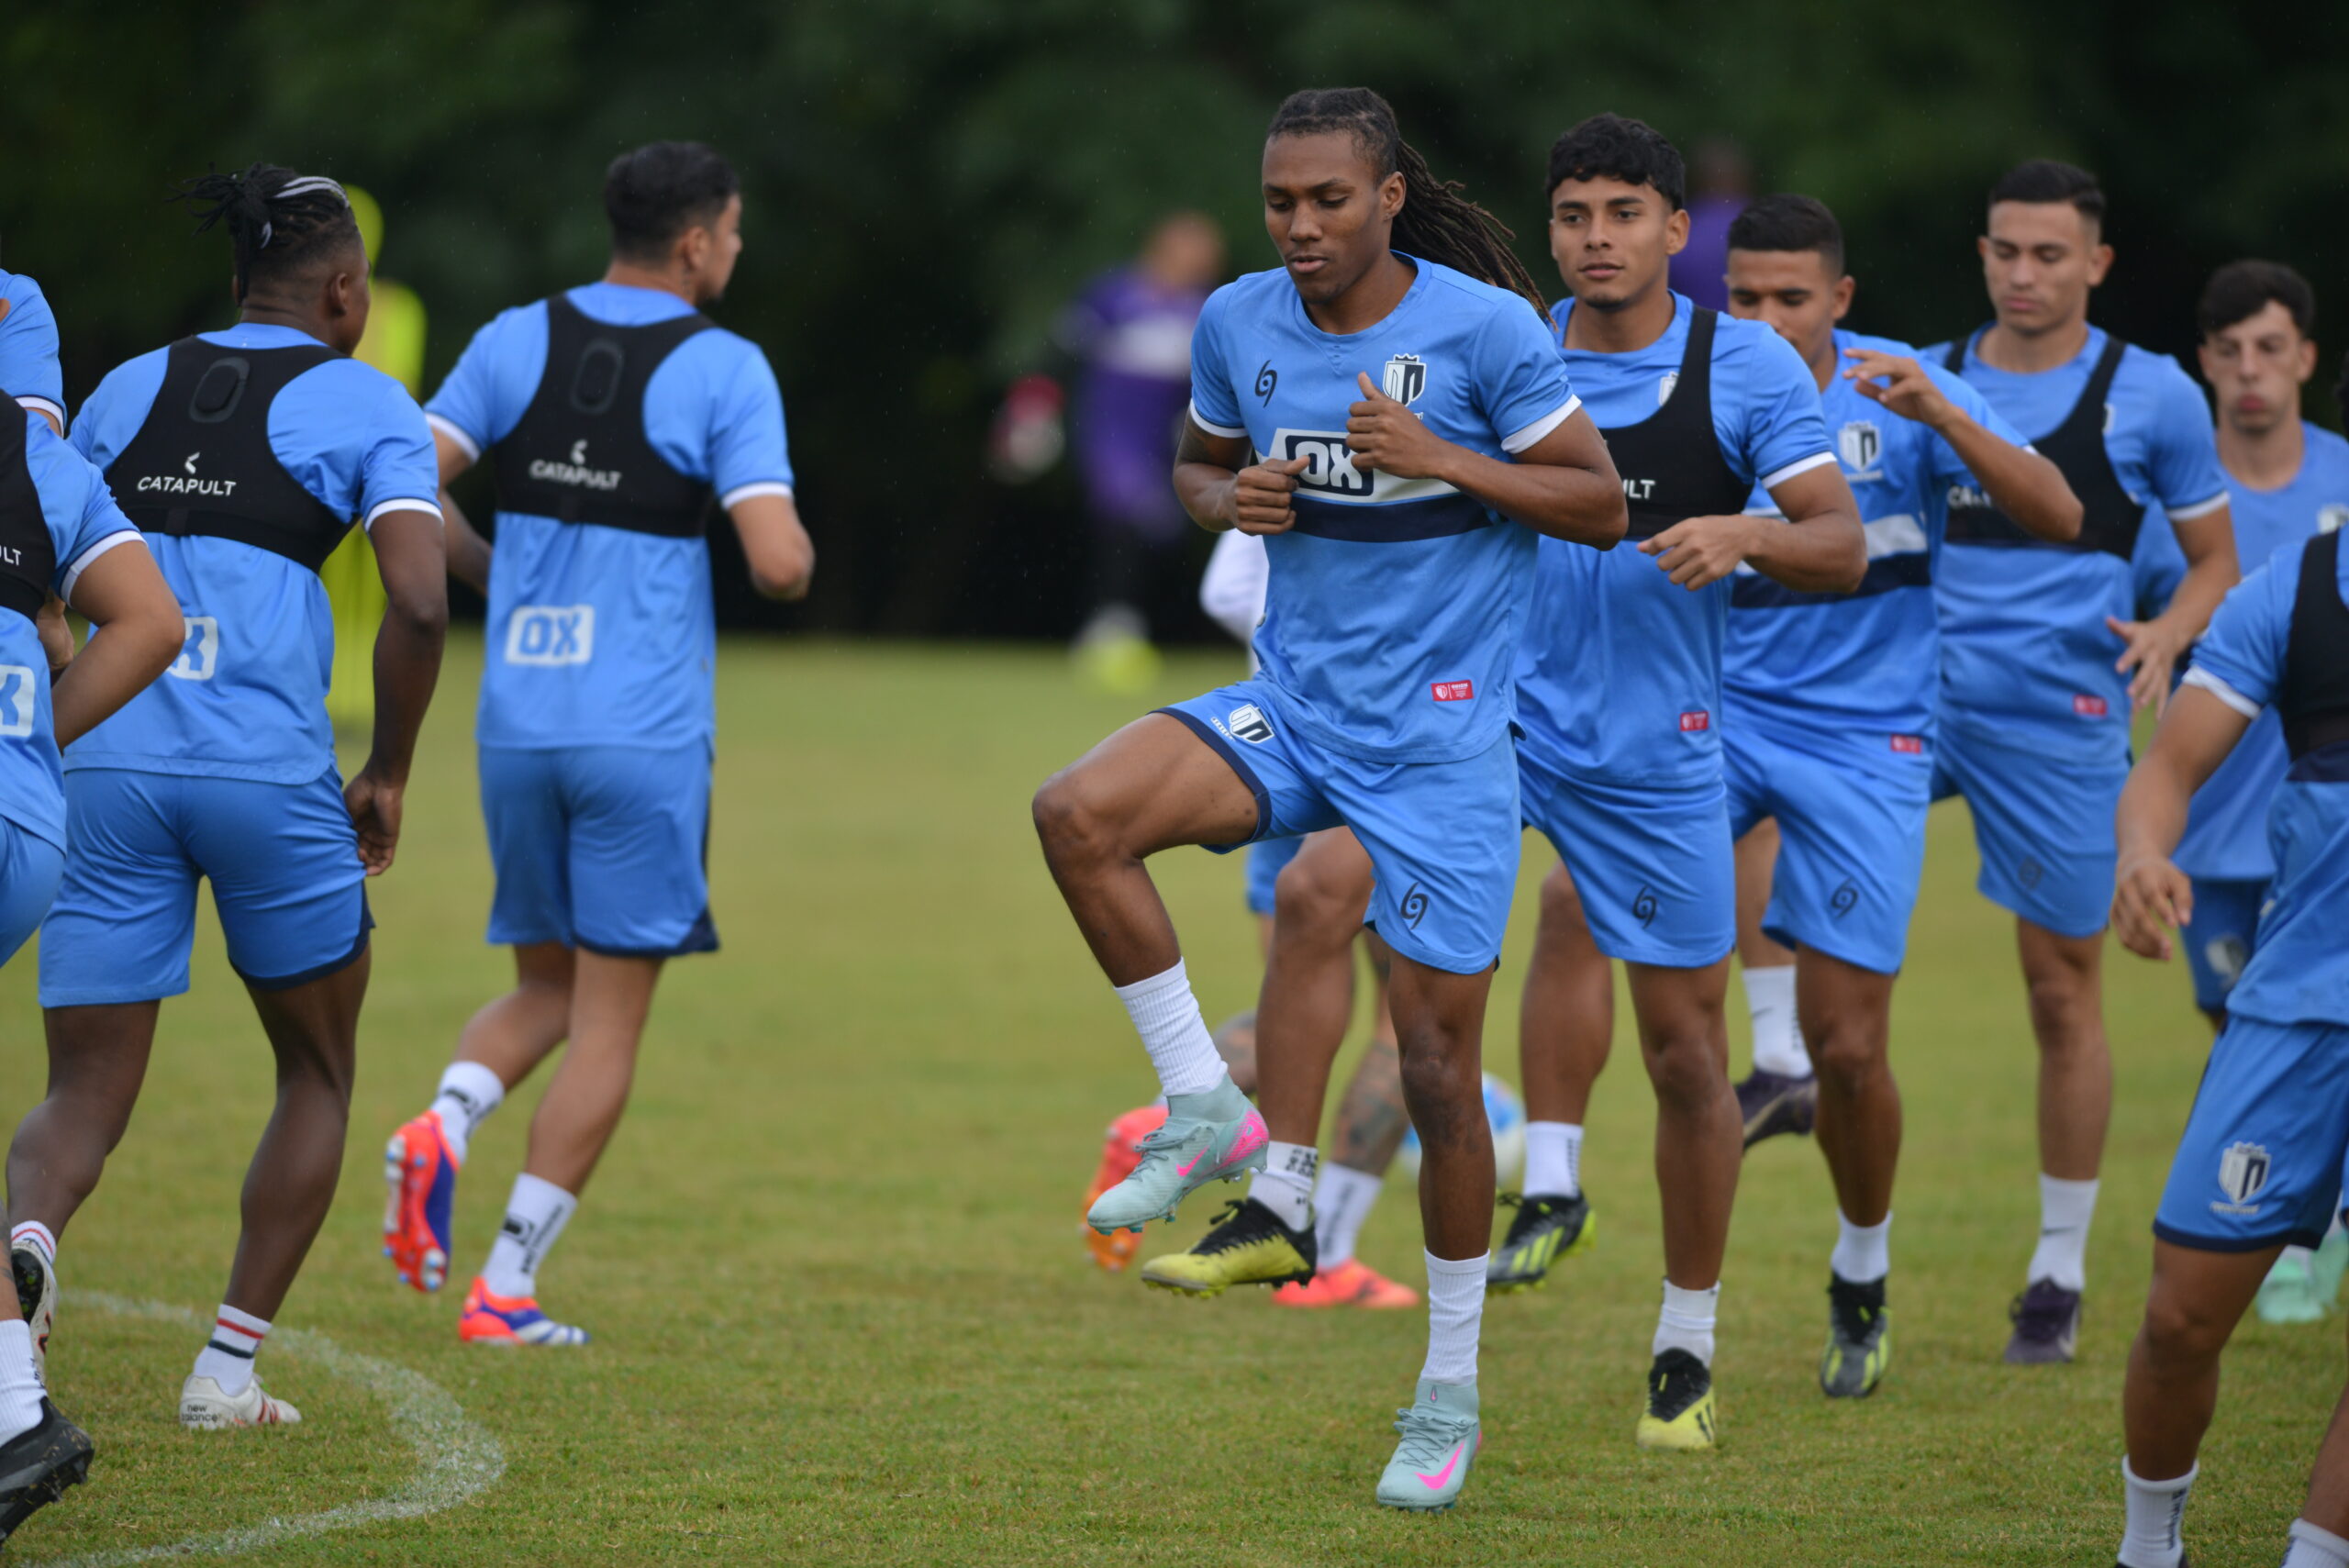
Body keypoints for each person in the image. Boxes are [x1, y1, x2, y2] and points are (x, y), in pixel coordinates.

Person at [1140, 113, 1864, 1454]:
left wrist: (1741, 528)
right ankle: (1304, 1211)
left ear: (1671, 228)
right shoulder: (1500, 337)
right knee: (1315, 894)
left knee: (1689, 1056)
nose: (1599, 239)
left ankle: (1685, 1346)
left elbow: (1840, 543)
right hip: (1479, 726)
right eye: (1576, 215)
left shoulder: (1739, 365)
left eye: (1627, 214)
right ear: (1550, 231)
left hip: (1651, 752)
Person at [1034, 86, 1624, 1508]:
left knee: (1432, 1071)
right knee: (1078, 813)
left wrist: (1445, 462)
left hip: (1439, 748)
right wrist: (1220, 500)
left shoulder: (1483, 333)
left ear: (1390, 198)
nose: (1302, 226)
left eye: (1330, 201)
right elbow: (1193, 460)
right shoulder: (1238, 319)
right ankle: (1204, 1111)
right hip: (1295, 706)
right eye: (1282, 202)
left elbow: (1601, 504)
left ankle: (1446, 1389)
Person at [6, 163, 449, 1431]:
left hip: (102, 769)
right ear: (347, 291)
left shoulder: (121, 386)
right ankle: (226, 1371)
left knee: (79, 1090)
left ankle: (25, 1246)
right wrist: (392, 770)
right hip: (268, 777)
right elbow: (418, 598)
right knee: (314, 1069)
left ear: (235, 279)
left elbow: (44, 578)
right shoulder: (368, 398)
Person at [381, 141, 812, 1348]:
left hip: (517, 724)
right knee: (610, 1020)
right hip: (641, 734)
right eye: (731, 232)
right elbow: (777, 562)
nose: (735, 249)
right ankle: (505, 1288)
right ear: (695, 241)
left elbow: (402, 482)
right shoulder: (726, 367)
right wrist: (794, 552)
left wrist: (493, 567)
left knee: (544, 989)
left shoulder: (517, 335)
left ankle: (444, 1121)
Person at [1713, 195, 2080, 1395]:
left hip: (1867, 743)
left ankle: (1861, 1266)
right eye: (1744, 297)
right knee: (1570, 908)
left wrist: (1949, 423)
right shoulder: (1692, 381)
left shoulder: (1899, 388)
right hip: (1713, 719)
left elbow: (2059, 513)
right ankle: (1557, 1180)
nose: (1763, 321)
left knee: (1853, 1049)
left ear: (1841, 302)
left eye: (1790, 299)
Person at [1928, 160, 2238, 1364]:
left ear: (2095, 264)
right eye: (2005, 249)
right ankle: (1789, 1071)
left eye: (2050, 254)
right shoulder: (1932, 379)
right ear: (1984, 253)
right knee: (1766, 857)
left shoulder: (2151, 396)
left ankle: (2056, 1267)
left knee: (2061, 988)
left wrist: (2170, 627)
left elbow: (2213, 563)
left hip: (2059, 722)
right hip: (1911, 702)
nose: (2024, 273)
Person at [1081, 530, 1418, 1307]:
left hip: (1272, 749)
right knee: (1405, 1023)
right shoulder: (1445, 429)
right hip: (1385, 750)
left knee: (1295, 1002)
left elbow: (1227, 588)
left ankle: (1154, 1122)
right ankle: (1325, 1251)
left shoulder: (1290, 418)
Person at [2105, 530, 2349, 1568]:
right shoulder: (2293, 591)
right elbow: (2168, 765)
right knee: (2179, 1316)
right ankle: (2149, 1544)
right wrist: (2141, 851)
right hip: (2296, 1004)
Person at [2135, 261, 2349, 1328]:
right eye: (2230, 350)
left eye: (2272, 347)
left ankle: (2315, 1230)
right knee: (2243, 1024)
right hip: (2217, 840)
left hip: (2318, 836)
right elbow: (2133, 631)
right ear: (2205, 364)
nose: (2252, 371)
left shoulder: (2342, 482)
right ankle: (2279, 1205)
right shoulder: (2178, 507)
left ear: (2305, 357)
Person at [0, 326, 182, 1546]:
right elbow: (146, 622)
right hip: (25, 827)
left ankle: (16, 1417)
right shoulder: (30, 450)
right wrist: (31, 750)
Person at [1053, 212, 1226, 692]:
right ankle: (1110, 630)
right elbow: (1060, 357)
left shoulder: (1202, 311)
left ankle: (1126, 627)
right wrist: (1033, 412)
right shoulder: (1114, 297)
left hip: (1163, 448)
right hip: (1109, 439)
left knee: (1164, 534)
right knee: (1126, 519)